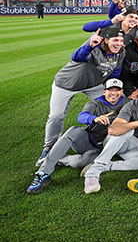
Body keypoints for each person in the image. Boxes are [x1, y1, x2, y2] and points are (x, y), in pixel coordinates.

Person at [37, 26, 126, 166]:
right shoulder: (95, 48)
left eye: (121, 40)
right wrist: (90, 46)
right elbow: (77, 57)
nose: (119, 44)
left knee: (115, 103)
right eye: (115, 40)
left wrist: (112, 89)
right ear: (106, 40)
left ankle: (109, 138)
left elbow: (115, 72)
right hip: (67, 84)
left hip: (92, 85)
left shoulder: (120, 52)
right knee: (56, 116)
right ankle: (48, 149)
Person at [28, 79, 128, 194]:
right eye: (110, 90)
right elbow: (82, 116)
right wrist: (94, 119)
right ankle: (43, 173)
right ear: (104, 91)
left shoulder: (127, 102)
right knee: (73, 131)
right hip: (87, 141)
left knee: (80, 163)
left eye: (117, 90)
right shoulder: (95, 104)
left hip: (101, 150)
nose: (114, 93)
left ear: (122, 91)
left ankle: (57, 159)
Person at [83, 79, 138, 194]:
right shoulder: (133, 105)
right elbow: (113, 130)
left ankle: (105, 167)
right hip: (120, 141)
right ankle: (93, 173)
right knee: (127, 130)